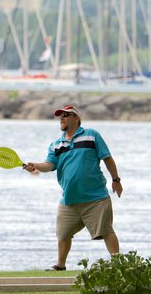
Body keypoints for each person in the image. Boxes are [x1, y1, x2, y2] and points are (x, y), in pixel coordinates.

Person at [24, 105, 122, 271]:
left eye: (66, 115)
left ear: (76, 118)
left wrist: (116, 180)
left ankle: (119, 264)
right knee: (62, 235)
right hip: (69, 200)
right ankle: (60, 266)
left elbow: (107, 158)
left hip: (96, 198)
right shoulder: (56, 145)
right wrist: (36, 165)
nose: (61, 118)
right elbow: (49, 165)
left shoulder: (92, 135)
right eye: (60, 116)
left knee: (106, 231)